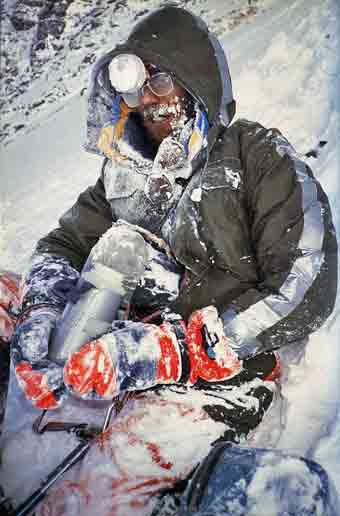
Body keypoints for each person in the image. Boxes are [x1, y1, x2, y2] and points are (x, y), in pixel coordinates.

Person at [1, 5, 337, 516]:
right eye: (133, 90)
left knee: (106, 489)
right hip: (114, 342)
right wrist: (42, 311)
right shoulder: (123, 172)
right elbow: (62, 244)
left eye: (158, 81)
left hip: (215, 366)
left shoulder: (255, 153)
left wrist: (176, 349)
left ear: (196, 78)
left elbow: (307, 276)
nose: (145, 101)